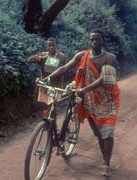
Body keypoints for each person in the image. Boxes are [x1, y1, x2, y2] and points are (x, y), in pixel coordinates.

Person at [43, 29, 121, 177]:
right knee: (98, 133)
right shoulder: (82, 55)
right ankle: (104, 158)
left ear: (102, 41)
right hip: (88, 100)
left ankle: (106, 163)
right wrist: (49, 77)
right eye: (91, 39)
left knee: (107, 133)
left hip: (107, 100)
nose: (94, 42)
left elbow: (105, 79)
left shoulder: (110, 58)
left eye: (97, 39)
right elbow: (64, 67)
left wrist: (84, 88)